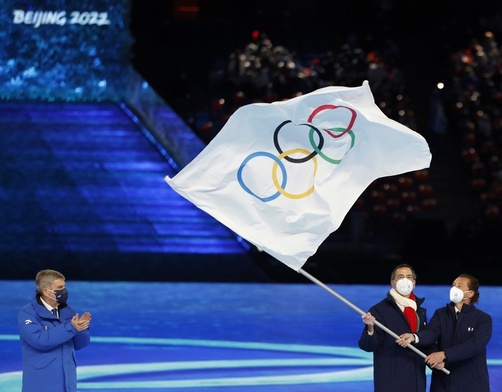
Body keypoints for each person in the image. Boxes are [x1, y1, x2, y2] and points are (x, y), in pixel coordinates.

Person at [398, 273, 492, 391]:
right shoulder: (441, 314)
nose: (454, 288)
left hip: (471, 382)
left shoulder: (483, 319)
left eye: (459, 285)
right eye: (453, 285)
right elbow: (431, 333)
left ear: (471, 293)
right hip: (443, 382)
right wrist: (414, 337)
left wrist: (444, 355)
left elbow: (475, 345)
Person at [359, 263, 433, 392]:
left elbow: (424, 340)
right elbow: (368, 346)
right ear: (393, 283)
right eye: (400, 276)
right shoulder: (379, 310)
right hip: (391, 379)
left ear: (414, 283)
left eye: (409, 276)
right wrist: (370, 327)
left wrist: (437, 357)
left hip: (416, 377)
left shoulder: (420, 311)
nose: (405, 280)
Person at [18, 269, 92, 392]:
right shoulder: (28, 313)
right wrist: (71, 328)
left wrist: (81, 328)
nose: (64, 291)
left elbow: (80, 345)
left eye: (64, 286)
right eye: (60, 287)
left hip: (67, 385)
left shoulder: (67, 311)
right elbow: (40, 340)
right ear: (47, 292)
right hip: (41, 385)